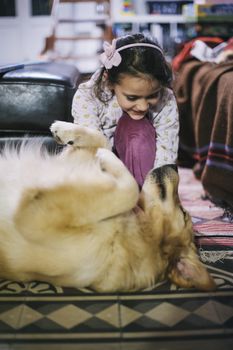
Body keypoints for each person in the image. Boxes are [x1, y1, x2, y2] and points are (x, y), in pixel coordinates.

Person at [72, 33, 179, 188]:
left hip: (143, 170)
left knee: (137, 128)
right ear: (109, 81)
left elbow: (167, 151)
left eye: (152, 95)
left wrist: (158, 190)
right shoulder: (87, 97)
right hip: (100, 171)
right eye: (132, 97)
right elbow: (92, 149)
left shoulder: (166, 98)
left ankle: (144, 201)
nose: (143, 106)